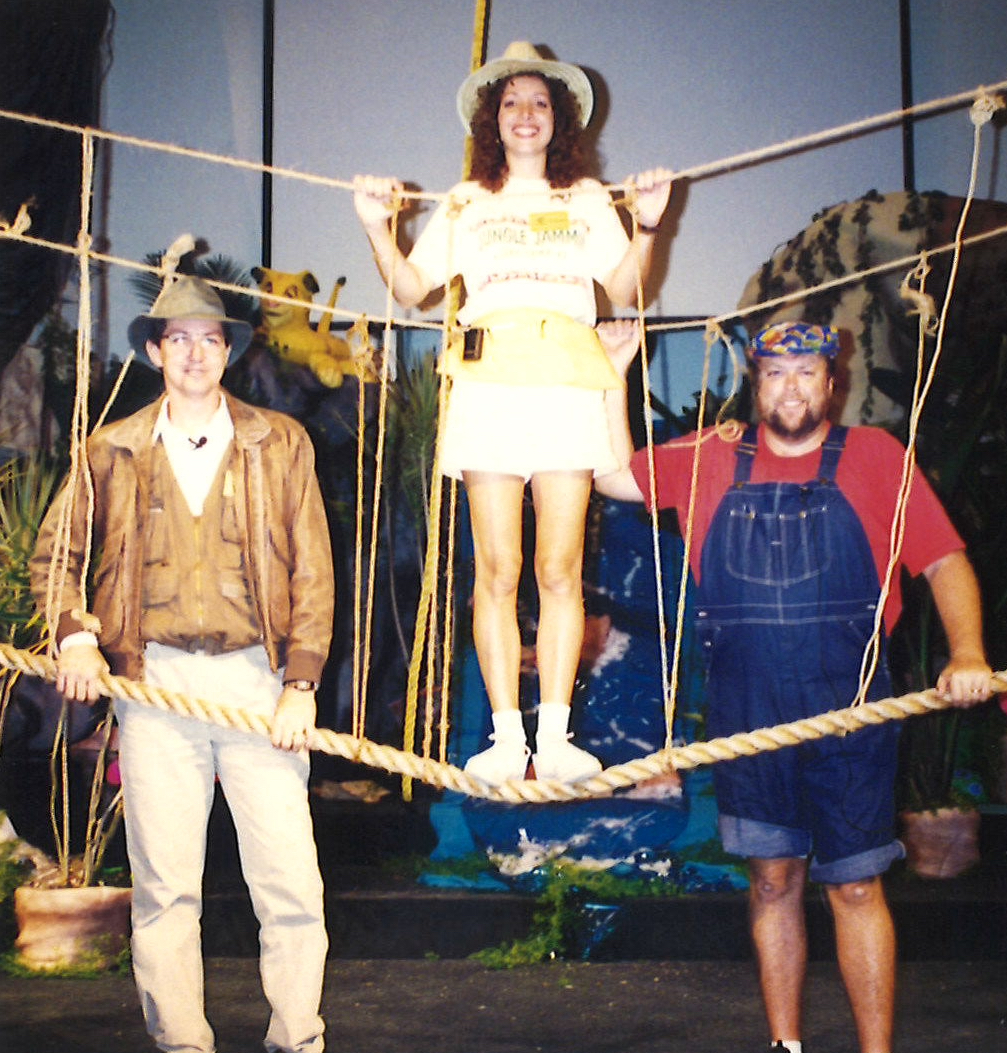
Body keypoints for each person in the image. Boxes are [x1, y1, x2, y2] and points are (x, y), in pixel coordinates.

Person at [594, 319, 993, 1053]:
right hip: (750, 715)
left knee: (856, 886)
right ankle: (787, 1044)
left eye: (807, 372)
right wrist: (615, 372)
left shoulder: (876, 457)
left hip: (854, 712)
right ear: (756, 381)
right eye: (776, 372)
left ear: (832, 383)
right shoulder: (712, 456)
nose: (791, 387)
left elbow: (944, 561)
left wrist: (966, 650)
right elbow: (613, 474)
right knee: (772, 882)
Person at [352, 42, 672, 786]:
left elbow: (625, 288)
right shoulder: (467, 203)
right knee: (496, 569)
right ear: (492, 121)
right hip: (488, 385)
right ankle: (504, 737)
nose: (525, 115)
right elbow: (410, 287)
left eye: (538, 103)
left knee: (559, 569)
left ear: (557, 118)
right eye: (510, 104)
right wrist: (376, 226)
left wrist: (650, 224)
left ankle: (555, 737)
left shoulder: (589, 198)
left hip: (565, 382)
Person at [30, 276, 333, 1053]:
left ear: (227, 351)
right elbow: (56, 553)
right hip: (153, 683)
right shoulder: (113, 449)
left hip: (258, 686)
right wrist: (74, 635)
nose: (195, 353)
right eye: (179, 339)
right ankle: (180, 1043)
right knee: (166, 886)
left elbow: (314, 574)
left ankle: (298, 1036)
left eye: (209, 338)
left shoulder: (280, 443)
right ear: (154, 351)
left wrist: (300, 681)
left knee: (290, 879)